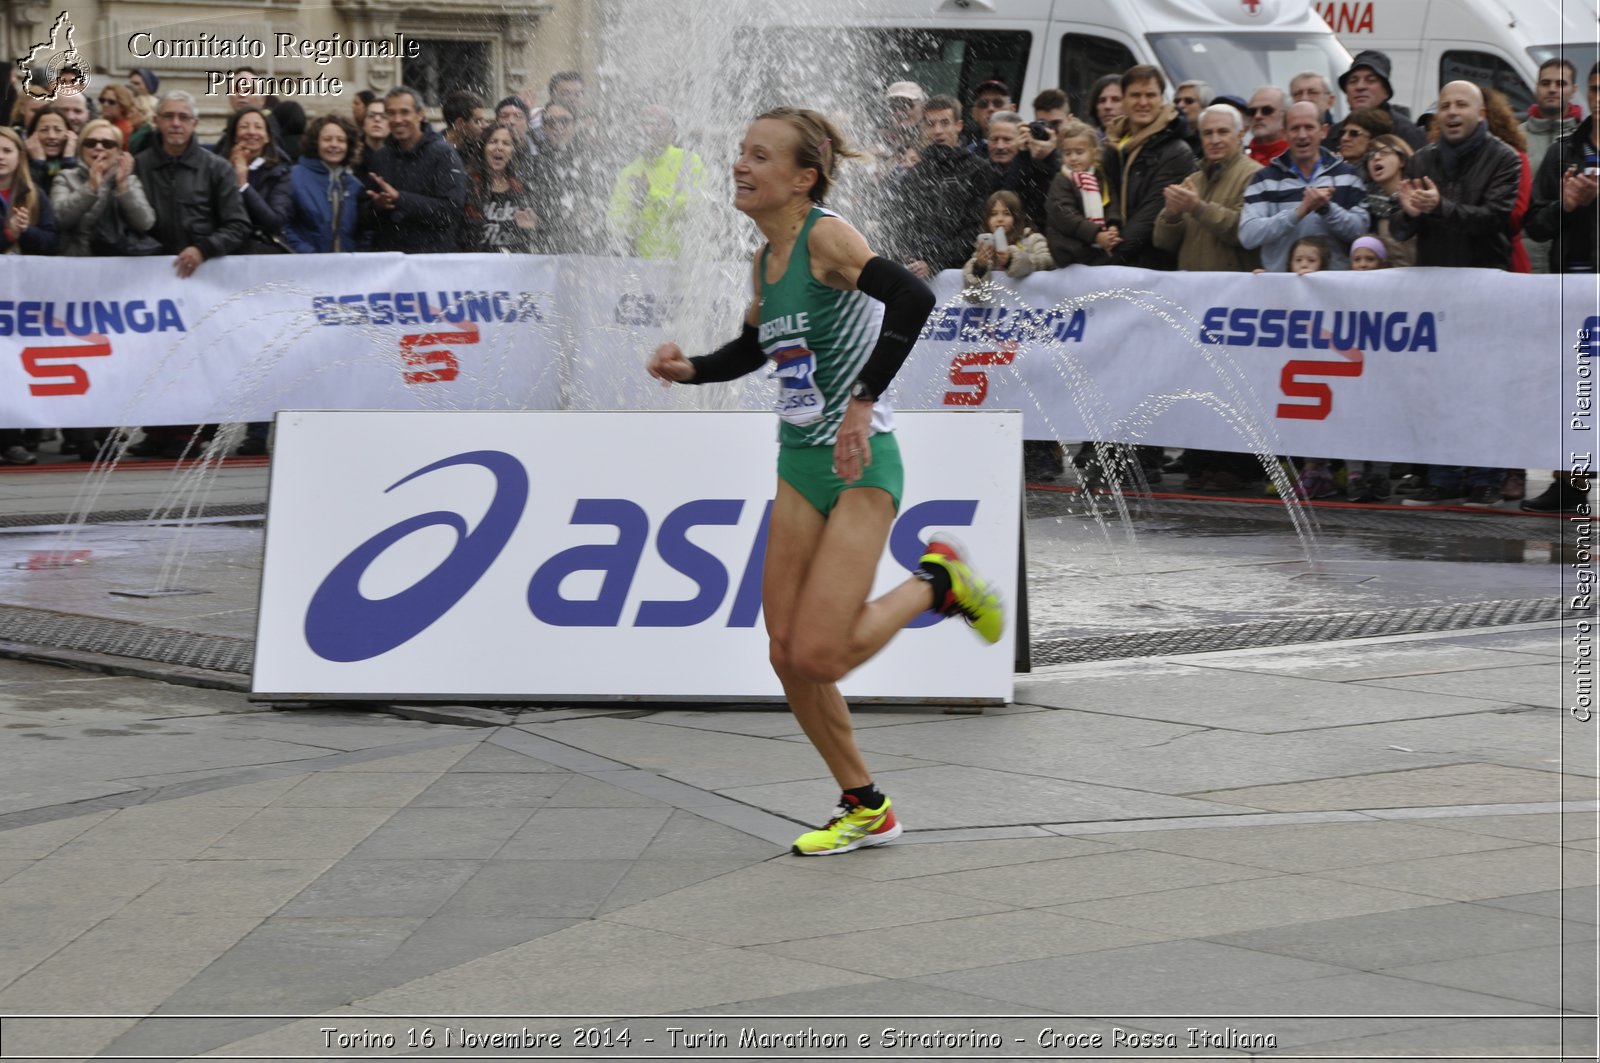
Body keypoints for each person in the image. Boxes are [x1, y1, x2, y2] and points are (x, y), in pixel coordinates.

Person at [645, 106, 1002, 857]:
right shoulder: (764, 259)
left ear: (804, 178)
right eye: (741, 152)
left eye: (761, 156)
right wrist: (694, 369)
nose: (741, 166)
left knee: (821, 656)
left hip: (862, 460)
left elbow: (915, 298)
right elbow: (757, 346)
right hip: (800, 461)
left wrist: (862, 402)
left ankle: (938, 584)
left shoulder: (827, 237)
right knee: (783, 649)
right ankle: (865, 803)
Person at [1393, 81, 1523, 507]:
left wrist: (1440, 207)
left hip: (1485, 288)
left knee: (1483, 387)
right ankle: (1443, 478)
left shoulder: (1504, 158)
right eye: (1445, 105)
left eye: (1461, 105)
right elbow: (1399, 228)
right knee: (1438, 387)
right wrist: (1409, 214)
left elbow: (1496, 218)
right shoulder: (1422, 159)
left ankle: (1485, 478)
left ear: (1481, 113)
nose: (1451, 111)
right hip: (1435, 291)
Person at [130, 90, 251, 459]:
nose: (176, 124)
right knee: (153, 359)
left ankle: (193, 432)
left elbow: (238, 224)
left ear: (195, 123)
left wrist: (204, 248)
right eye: (169, 117)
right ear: (157, 122)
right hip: (151, 283)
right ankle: (158, 432)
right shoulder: (138, 165)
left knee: (197, 359)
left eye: (183, 117)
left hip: (202, 282)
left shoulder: (215, 168)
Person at [1523, 61, 1600, 512]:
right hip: (1573, 287)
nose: (1598, 98)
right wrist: (1566, 205)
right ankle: (1569, 484)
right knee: (1575, 387)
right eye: (1594, 89)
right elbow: (1534, 224)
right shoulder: (1564, 150)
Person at [1238, 101, 1369, 272]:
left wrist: (1327, 209)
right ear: (1284, 133)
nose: (1302, 135)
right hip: (1284, 289)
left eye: (1309, 127)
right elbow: (1248, 236)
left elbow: (1361, 234)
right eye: (1295, 128)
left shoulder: (1348, 175)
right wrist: (1297, 213)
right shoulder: (1265, 178)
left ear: (1323, 131)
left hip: (1334, 288)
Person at [1100, 65, 1196, 270]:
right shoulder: (1111, 146)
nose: (1143, 102)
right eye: (1135, 95)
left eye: (1150, 95)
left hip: (1153, 269)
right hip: (1116, 262)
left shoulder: (1177, 151)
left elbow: (1147, 221)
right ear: (1123, 100)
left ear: (1162, 100)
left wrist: (1103, 263)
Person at [886, 94, 990, 279]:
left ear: (958, 126)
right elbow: (900, 223)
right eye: (931, 124)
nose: (937, 131)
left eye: (944, 123)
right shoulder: (914, 174)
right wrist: (910, 256)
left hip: (958, 278)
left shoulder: (978, 169)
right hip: (914, 274)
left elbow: (976, 228)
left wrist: (935, 261)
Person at [1154, 103, 1262, 272]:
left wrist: (1198, 208)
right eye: (1207, 133)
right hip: (1193, 288)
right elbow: (1162, 242)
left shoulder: (1256, 175)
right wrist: (1171, 217)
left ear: (1240, 134)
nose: (1215, 140)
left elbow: (1246, 232)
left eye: (1223, 132)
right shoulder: (1193, 180)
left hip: (1234, 290)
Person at [365, 85, 469, 254]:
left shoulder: (443, 154)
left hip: (429, 259)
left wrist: (401, 199)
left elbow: (450, 211)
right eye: (391, 113)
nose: (398, 119)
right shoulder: (381, 156)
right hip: (389, 260)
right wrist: (377, 205)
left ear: (420, 114)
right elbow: (365, 215)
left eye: (405, 112)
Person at [608, 105, 704, 259]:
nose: (650, 130)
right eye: (645, 124)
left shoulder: (690, 162)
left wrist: (650, 195)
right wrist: (636, 204)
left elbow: (693, 209)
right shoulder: (629, 172)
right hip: (645, 265)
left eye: (657, 124)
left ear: (673, 132)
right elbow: (616, 225)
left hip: (685, 265)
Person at [527, 99, 605, 254]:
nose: (558, 127)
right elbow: (532, 211)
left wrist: (591, 213)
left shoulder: (592, 162)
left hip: (586, 252)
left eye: (564, 121)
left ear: (575, 124)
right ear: (544, 127)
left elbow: (605, 207)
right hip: (546, 252)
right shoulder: (533, 163)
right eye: (551, 122)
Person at [1523, 57, 1578, 272]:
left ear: (1574, 90)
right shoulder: (1514, 139)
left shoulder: (1586, 141)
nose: (1552, 90)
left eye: (1561, 84)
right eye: (1546, 83)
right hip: (1523, 256)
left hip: (1567, 258)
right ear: (1536, 88)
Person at [215, 106, 294, 254]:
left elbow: (275, 222)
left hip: (263, 250)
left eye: (258, 127)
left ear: (267, 137)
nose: (251, 132)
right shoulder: (217, 168)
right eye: (244, 127)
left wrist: (243, 185)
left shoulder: (280, 171)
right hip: (224, 249)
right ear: (234, 135)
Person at [283, 114, 365, 254]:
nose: (334, 145)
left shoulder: (355, 185)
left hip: (347, 268)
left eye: (341, 140)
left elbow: (363, 230)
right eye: (327, 139)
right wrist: (307, 253)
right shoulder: (295, 176)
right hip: (306, 265)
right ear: (316, 143)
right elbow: (284, 225)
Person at [1045, 119, 1119, 266]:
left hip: (1096, 248)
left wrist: (1113, 226)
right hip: (1069, 251)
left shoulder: (1100, 177)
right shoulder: (1062, 180)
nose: (1073, 158)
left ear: (1094, 153)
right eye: (1067, 153)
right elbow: (1065, 215)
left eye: (1079, 152)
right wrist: (1096, 235)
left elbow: (1111, 203)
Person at [462, 122, 538, 253]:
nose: (499, 147)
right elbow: (461, 235)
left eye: (506, 143)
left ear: (513, 151)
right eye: (493, 142)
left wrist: (532, 227)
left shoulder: (522, 188)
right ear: (483, 148)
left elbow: (535, 238)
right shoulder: (467, 186)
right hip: (477, 266)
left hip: (513, 267)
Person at [1329, 50, 1426, 150]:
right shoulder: (1333, 135)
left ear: (1386, 92)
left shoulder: (1407, 133)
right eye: (1353, 81)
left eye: (1371, 80)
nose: (1360, 86)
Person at [962, 189, 1053, 289]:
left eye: (1006, 213)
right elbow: (972, 297)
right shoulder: (984, 250)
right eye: (993, 214)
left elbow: (1048, 261)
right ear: (987, 220)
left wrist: (1011, 260)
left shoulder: (1032, 239)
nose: (1000, 219)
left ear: (1016, 217)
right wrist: (979, 268)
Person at [1363, 133, 1416, 267]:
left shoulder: (1418, 197)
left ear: (1402, 160)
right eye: (1370, 155)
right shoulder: (1369, 207)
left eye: (1384, 152)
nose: (1376, 157)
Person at [24, 106, 76, 188]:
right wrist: (38, 164)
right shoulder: (20, 163)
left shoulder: (81, 162)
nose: (51, 136)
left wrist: (69, 161)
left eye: (58, 130)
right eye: (44, 130)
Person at [1244, 86, 1288, 166]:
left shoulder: (1297, 155)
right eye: (1252, 111)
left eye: (1267, 110)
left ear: (1285, 115)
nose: (1257, 116)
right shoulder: (1242, 157)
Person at [966, 79, 1012, 155]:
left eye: (998, 103)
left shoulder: (1025, 148)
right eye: (983, 104)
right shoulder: (966, 150)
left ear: (1012, 110)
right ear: (974, 114)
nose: (991, 108)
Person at [443, 90, 488, 162]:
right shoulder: (433, 151)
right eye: (478, 121)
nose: (485, 125)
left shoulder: (479, 148)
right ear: (460, 124)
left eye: (484, 121)